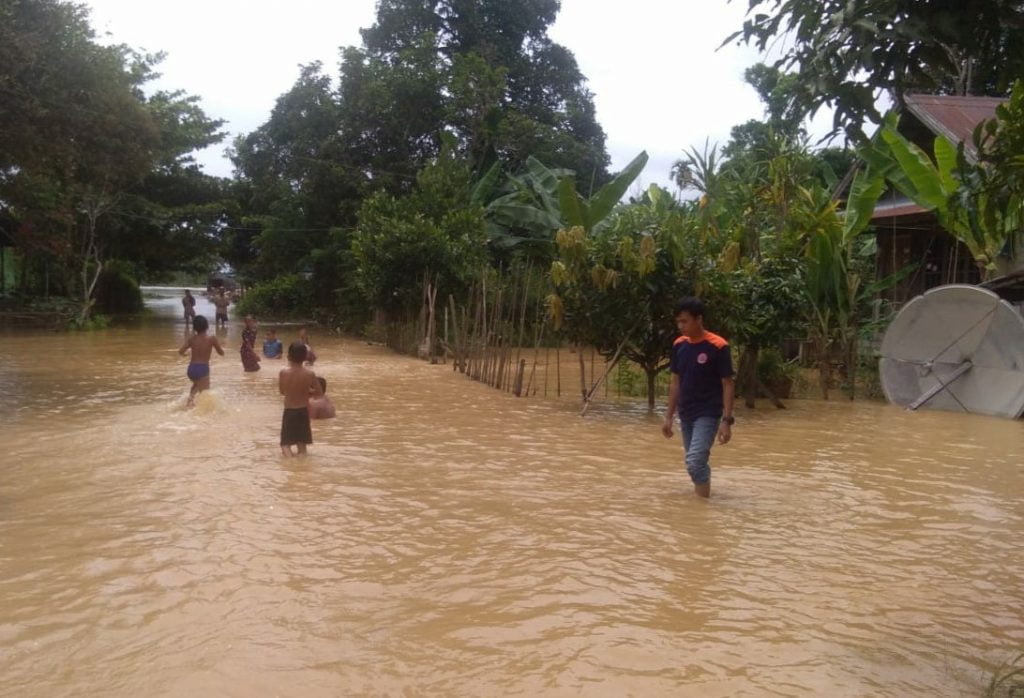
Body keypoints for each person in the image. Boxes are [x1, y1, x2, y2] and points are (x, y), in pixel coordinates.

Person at [661, 296, 735, 498]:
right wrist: (668, 417)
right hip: (686, 413)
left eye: (685, 321)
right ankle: (701, 500)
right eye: (678, 321)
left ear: (699, 319)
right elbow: (675, 381)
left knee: (694, 461)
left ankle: (704, 505)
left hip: (709, 413)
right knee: (694, 462)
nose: (680, 326)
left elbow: (727, 384)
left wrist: (727, 421)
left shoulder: (718, 346)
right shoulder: (679, 345)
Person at [279, 342, 322, 456]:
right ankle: (302, 468)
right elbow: (319, 392)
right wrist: (307, 392)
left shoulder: (283, 373)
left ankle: (291, 465)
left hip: (289, 411)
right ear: (305, 357)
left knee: (285, 444)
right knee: (302, 444)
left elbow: (282, 391)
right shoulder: (310, 374)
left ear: (289, 356)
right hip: (303, 412)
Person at [179, 315, 225, 408]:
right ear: (207, 326)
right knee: (205, 393)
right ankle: (203, 414)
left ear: (195, 327)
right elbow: (221, 353)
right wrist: (220, 349)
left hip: (191, 369)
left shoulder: (191, 339)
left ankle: (189, 403)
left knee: (196, 385)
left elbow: (181, 351)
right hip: (203, 368)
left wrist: (185, 355)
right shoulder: (212, 339)